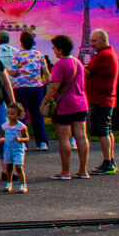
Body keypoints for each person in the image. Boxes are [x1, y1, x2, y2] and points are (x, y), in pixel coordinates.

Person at [44, 34, 91, 180]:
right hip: (81, 103)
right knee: (81, 137)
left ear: (60, 49)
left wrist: (44, 102)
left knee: (64, 138)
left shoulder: (60, 64)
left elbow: (54, 87)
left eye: (54, 48)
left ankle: (65, 171)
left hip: (64, 105)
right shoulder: (78, 62)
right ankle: (83, 170)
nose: (54, 51)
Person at [7, 30, 51, 151]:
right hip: (36, 87)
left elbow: (14, 72)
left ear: (21, 42)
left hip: (21, 88)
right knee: (37, 115)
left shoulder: (17, 55)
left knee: (21, 115)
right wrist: (50, 84)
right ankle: (42, 142)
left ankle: (23, 142)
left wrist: (7, 70)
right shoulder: (39, 54)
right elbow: (46, 72)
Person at [84, 28, 119, 174]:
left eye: (94, 41)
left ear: (102, 40)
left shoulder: (103, 55)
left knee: (103, 131)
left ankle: (107, 162)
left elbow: (87, 72)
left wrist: (76, 65)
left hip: (100, 99)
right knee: (108, 129)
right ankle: (110, 159)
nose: (91, 44)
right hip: (106, 98)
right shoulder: (109, 54)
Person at [0, 101, 29, 193]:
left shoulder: (21, 126)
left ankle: (23, 184)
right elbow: (2, 136)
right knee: (9, 167)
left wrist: (20, 139)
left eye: (13, 114)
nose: (10, 115)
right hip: (8, 149)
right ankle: (9, 183)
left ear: (18, 115)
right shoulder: (5, 126)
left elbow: (27, 138)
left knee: (18, 167)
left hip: (18, 149)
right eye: (8, 113)